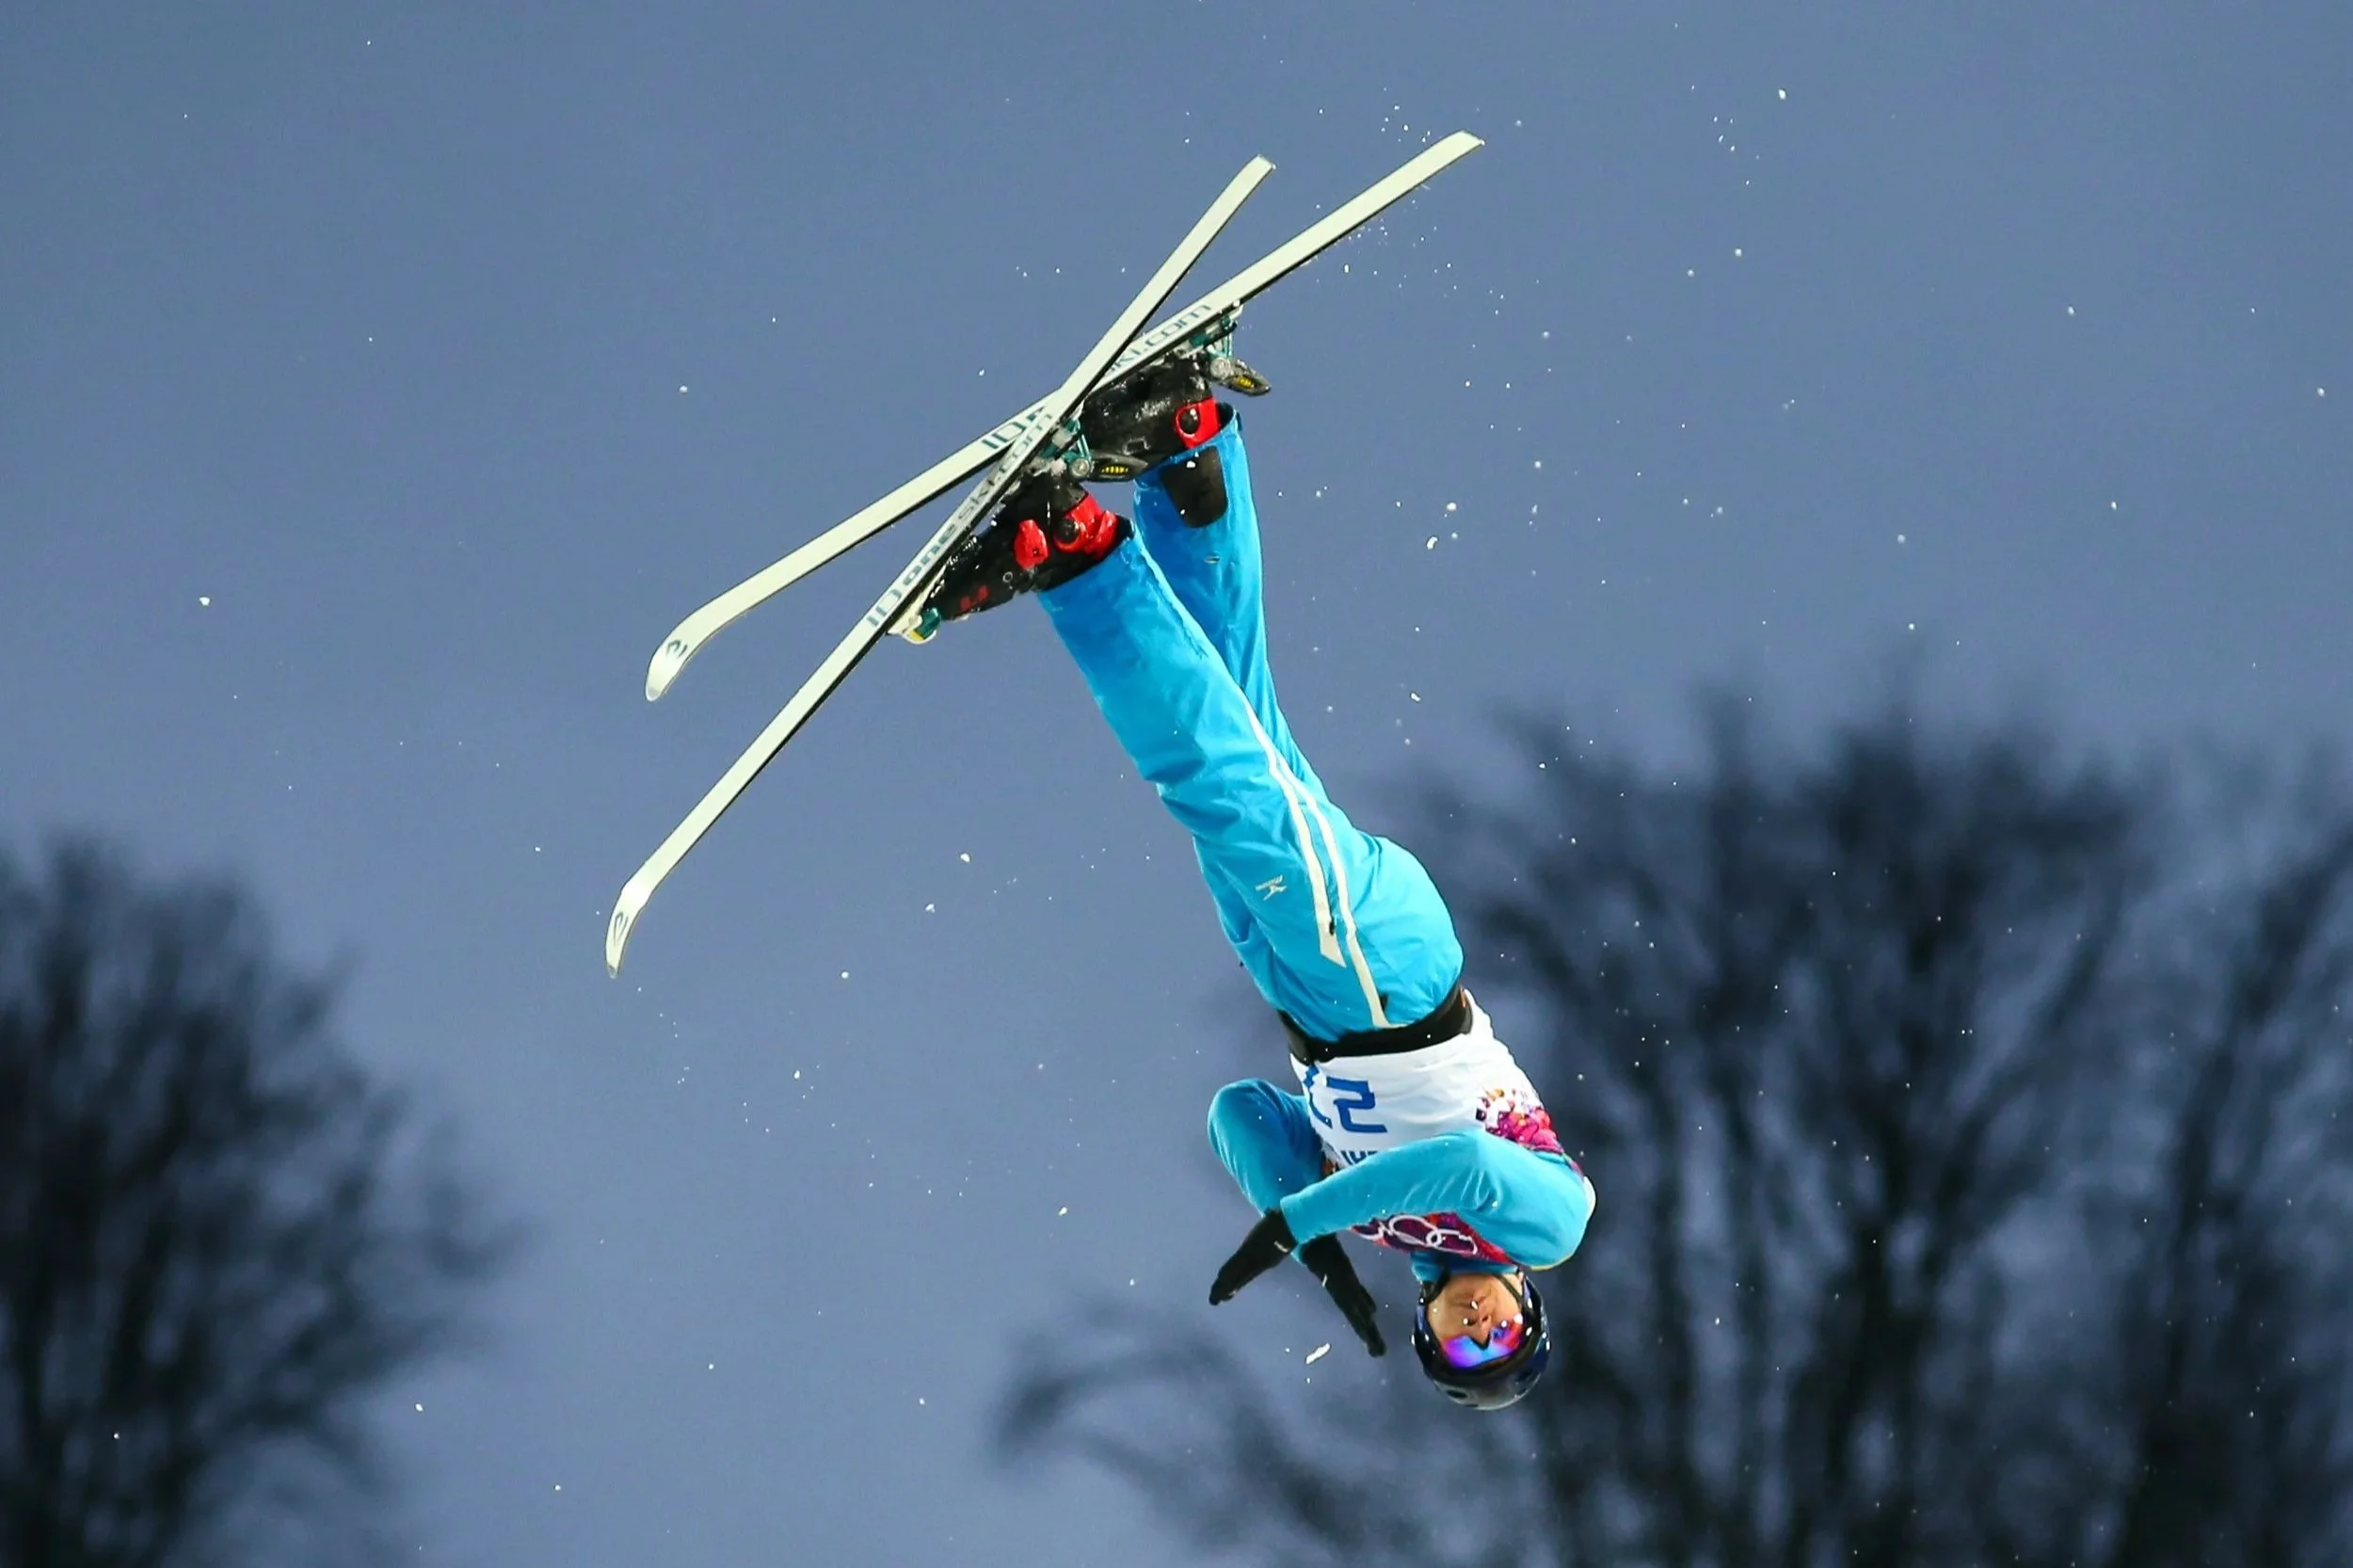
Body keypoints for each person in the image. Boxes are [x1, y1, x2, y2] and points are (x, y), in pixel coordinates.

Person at [908, 351, 1596, 1410]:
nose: (1478, 1331)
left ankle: (1186, 450)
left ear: (1423, 1330)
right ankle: (1070, 550)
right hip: (1387, 982)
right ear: (1525, 1304)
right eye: (1502, 1336)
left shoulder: (1381, 1225)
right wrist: (1299, 1224)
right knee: (1211, 778)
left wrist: (1309, 1229)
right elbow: (1462, 1167)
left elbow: (1239, 1114)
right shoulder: (1547, 1229)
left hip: (1303, 987)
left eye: (1461, 1353)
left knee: (1236, 719)